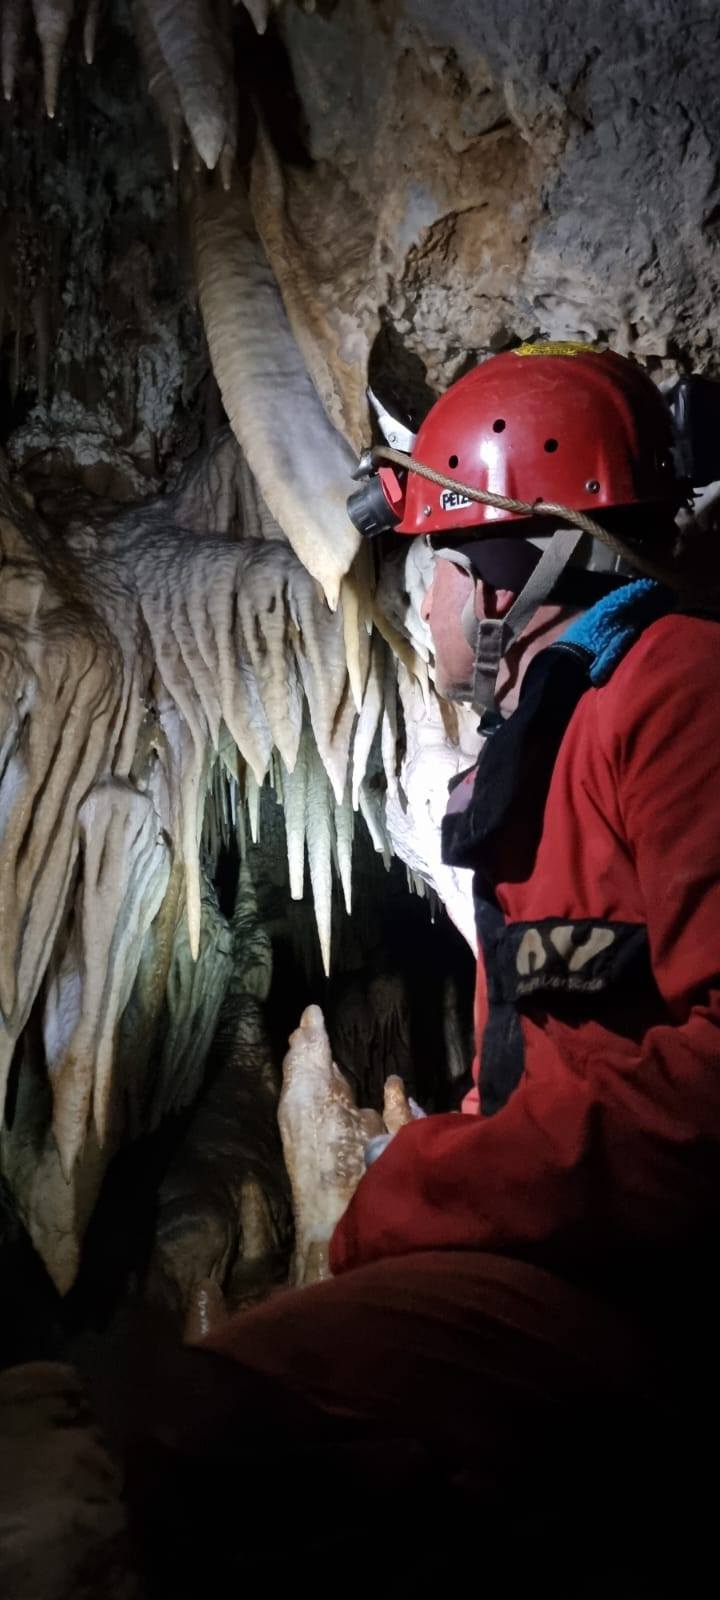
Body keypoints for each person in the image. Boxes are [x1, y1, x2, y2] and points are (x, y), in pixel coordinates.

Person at [130, 345, 720, 1591]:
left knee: (215, 1431)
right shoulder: (548, 741)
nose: (421, 602)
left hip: (648, 1293)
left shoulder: (678, 695)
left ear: (518, 569)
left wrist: (442, 1183)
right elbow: (536, 1070)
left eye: (436, 566)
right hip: (571, 1263)